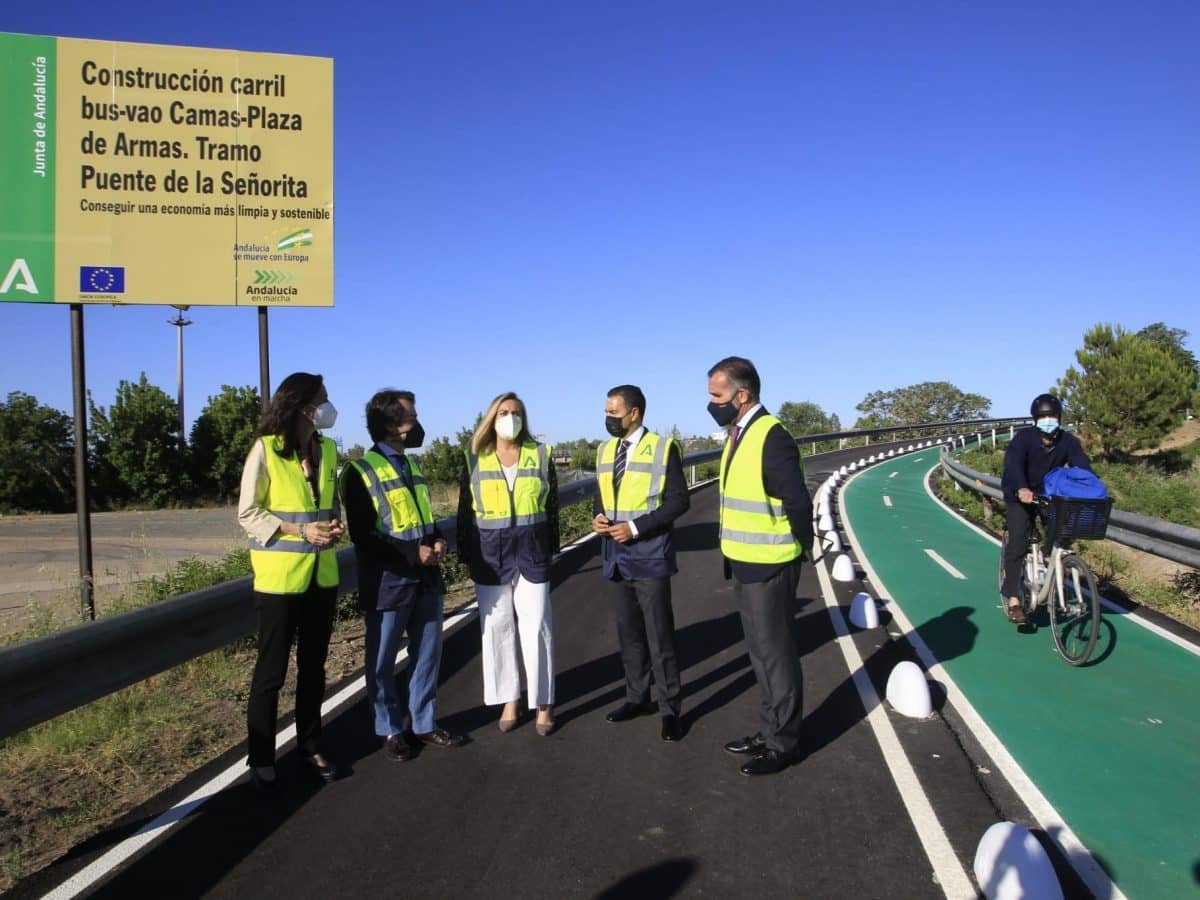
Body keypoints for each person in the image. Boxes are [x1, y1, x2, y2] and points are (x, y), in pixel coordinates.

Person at [340, 390, 466, 760]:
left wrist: (438, 539)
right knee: (381, 662)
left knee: (428, 654)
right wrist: (414, 552)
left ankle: (424, 723)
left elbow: (423, 517)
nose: (417, 425)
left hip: (426, 577)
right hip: (388, 581)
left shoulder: (413, 466)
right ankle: (390, 730)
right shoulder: (359, 472)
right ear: (392, 426)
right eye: (411, 418)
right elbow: (364, 535)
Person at [707, 356, 813, 777]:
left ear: (742, 394)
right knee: (761, 656)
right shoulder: (740, 432)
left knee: (778, 657)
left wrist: (800, 549)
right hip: (745, 562)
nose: (711, 403)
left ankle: (784, 744)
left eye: (716, 395)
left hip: (770, 563)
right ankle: (769, 730)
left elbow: (798, 502)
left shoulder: (772, 436)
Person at [238, 372, 345, 790]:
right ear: (303, 405)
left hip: (323, 575)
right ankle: (261, 757)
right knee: (272, 672)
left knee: (314, 668)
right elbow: (248, 512)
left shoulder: (330, 450)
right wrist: (299, 532)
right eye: (323, 399)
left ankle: (311, 743)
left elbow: (328, 503)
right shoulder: (265, 451)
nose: (328, 406)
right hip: (279, 581)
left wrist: (335, 526)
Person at [591, 384, 689, 742]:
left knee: (659, 637)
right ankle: (637, 697)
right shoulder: (605, 450)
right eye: (606, 412)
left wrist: (633, 528)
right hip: (615, 557)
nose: (608, 419)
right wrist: (598, 518)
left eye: (613, 413)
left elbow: (679, 502)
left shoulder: (663, 449)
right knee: (629, 635)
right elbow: (602, 496)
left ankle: (670, 709)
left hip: (648, 555)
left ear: (634, 413)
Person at [457, 392, 559, 735]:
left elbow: (552, 505)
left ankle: (543, 704)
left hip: (532, 552)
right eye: (503, 412)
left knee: (537, 627)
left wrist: (553, 548)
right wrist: (466, 555)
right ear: (491, 417)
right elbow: (464, 513)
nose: (510, 417)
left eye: (516, 412)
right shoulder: (475, 458)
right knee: (497, 629)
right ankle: (509, 699)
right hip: (490, 555)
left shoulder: (539, 454)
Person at [1000, 393, 1093, 625]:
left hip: (1048, 493)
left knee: (1062, 531)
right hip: (1019, 493)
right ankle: (1013, 600)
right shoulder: (1024, 439)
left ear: (1059, 418)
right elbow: (1013, 464)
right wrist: (1021, 488)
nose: (1048, 420)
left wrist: (1092, 487)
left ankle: (1049, 556)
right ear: (1035, 419)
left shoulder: (1068, 441)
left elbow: (1082, 466)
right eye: (1044, 416)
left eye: (1052, 416)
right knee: (1018, 541)